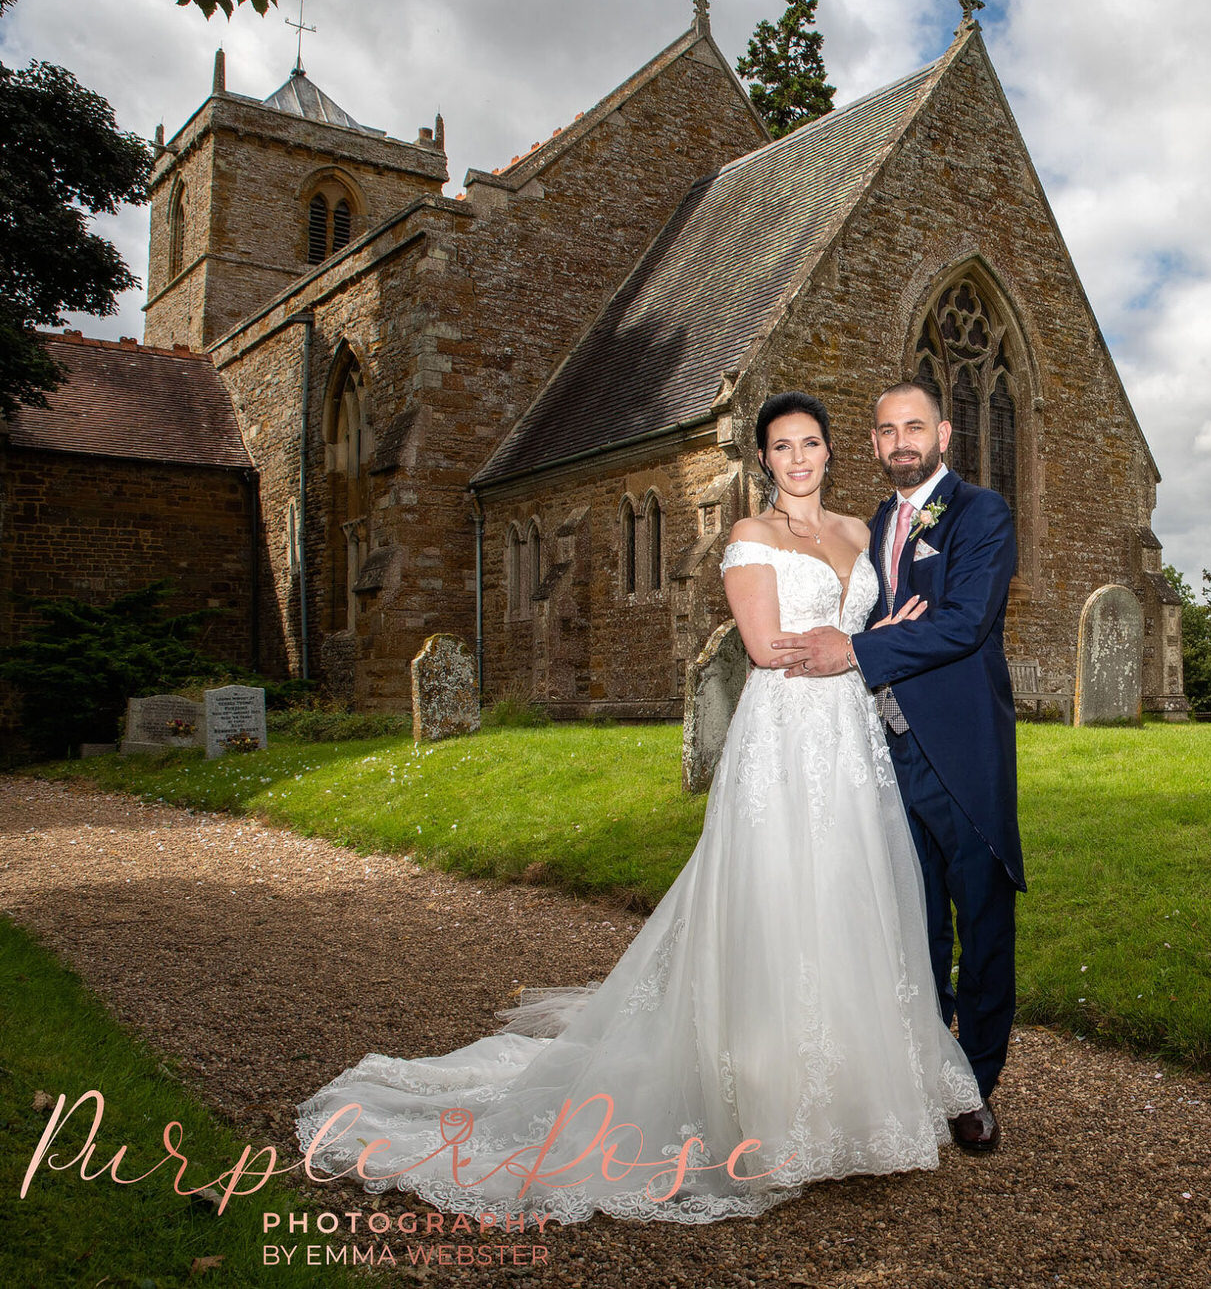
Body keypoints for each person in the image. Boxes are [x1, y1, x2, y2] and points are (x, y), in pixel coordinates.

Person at [292, 391, 984, 1226]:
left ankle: (861, 1095)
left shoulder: (858, 532)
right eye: (782, 446)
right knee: (777, 898)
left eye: (811, 443)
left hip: (851, 739)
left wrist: (880, 634)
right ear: (763, 459)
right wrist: (857, 646)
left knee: (852, 895)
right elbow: (767, 649)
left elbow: (888, 614)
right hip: (785, 733)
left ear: (833, 451)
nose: (799, 458)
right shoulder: (749, 537)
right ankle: (772, 1104)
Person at [771, 377, 1023, 1154]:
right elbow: (877, 611)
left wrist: (864, 644)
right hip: (876, 752)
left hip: (959, 747)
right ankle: (922, 1068)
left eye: (915, 427)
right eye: (886, 431)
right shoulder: (875, 521)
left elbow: (963, 621)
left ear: (944, 435)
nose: (901, 442)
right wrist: (880, 625)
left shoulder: (981, 514)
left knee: (979, 919)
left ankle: (974, 1087)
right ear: (874, 444)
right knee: (910, 925)